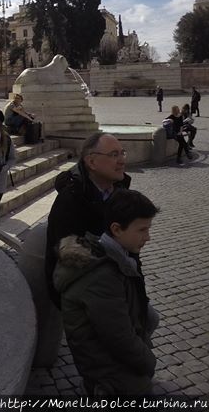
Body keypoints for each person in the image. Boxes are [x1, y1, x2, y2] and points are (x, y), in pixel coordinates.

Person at [53, 189, 159, 396]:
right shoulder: (102, 276)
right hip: (102, 363)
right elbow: (119, 337)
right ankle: (97, 391)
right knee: (141, 391)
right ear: (117, 229)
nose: (148, 237)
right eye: (142, 230)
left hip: (105, 354)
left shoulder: (113, 255)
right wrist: (148, 361)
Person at [45, 132, 132, 306]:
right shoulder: (70, 201)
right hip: (86, 297)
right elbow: (68, 264)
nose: (122, 160)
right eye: (114, 155)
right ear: (91, 162)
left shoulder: (121, 192)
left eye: (122, 153)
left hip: (118, 285)